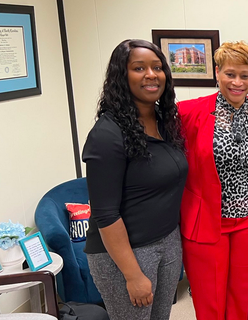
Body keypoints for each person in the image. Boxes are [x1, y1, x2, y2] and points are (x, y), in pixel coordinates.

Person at [83, 39, 187, 320]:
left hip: (167, 241)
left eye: (157, 67)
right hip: (126, 255)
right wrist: (132, 275)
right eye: (139, 68)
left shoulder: (165, 121)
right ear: (122, 76)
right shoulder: (107, 135)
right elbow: (105, 214)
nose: (151, 75)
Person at [178, 40, 248, 320]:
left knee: (241, 299)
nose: (237, 82)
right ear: (217, 72)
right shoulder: (189, 112)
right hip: (207, 222)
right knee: (211, 302)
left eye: (245, 75)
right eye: (230, 74)